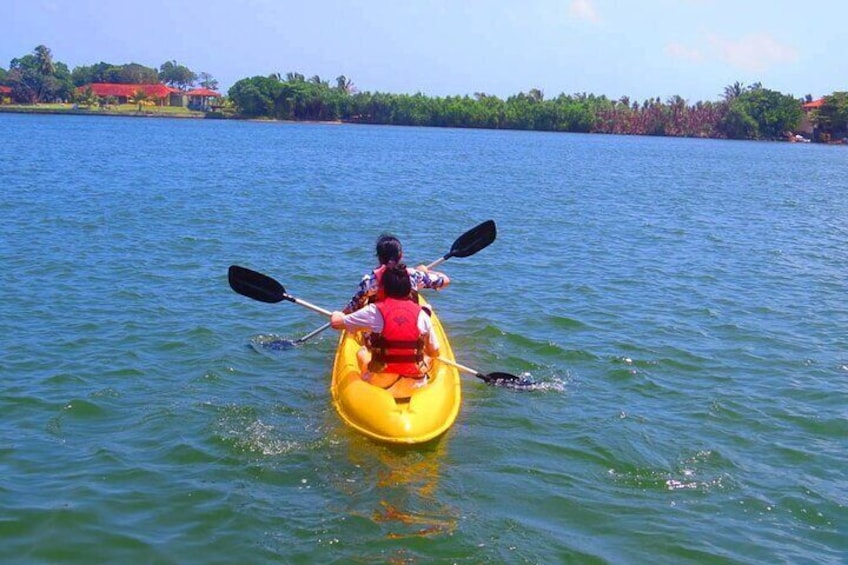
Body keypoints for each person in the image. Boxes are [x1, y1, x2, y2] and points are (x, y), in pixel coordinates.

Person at [331, 263, 440, 397]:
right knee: (427, 357)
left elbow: (336, 324)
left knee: (362, 352)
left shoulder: (374, 311)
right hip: (415, 383)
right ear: (409, 289)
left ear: (383, 289)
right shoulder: (422, 314)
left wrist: (338, 315)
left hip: (381, 383)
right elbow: (435, 352)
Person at [342, 233, 450, 314]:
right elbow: (445, 281)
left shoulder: (369, 282)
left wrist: (340, 315)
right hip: (410, 332)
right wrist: (424, 271)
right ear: (401, 255)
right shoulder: (413, 275)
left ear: (379, 257)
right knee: (427, 308)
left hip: (380, 335)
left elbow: (352, 308)